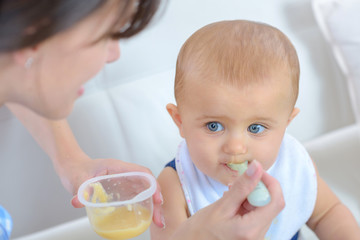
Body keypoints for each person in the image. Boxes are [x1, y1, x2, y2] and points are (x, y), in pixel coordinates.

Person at [0, 1, 285, 239]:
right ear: (34, 34)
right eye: (106, 36)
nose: (114, 54)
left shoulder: (290, 163)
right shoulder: (176, 183)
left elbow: (20, 80)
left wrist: (73, 163)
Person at [151, 20, 360, 239]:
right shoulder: (172, 187)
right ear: (180, 121)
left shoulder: (294, 164)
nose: (236, 147)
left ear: (287, 123)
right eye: (214, 126)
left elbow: (327, 214)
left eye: (256, 128)